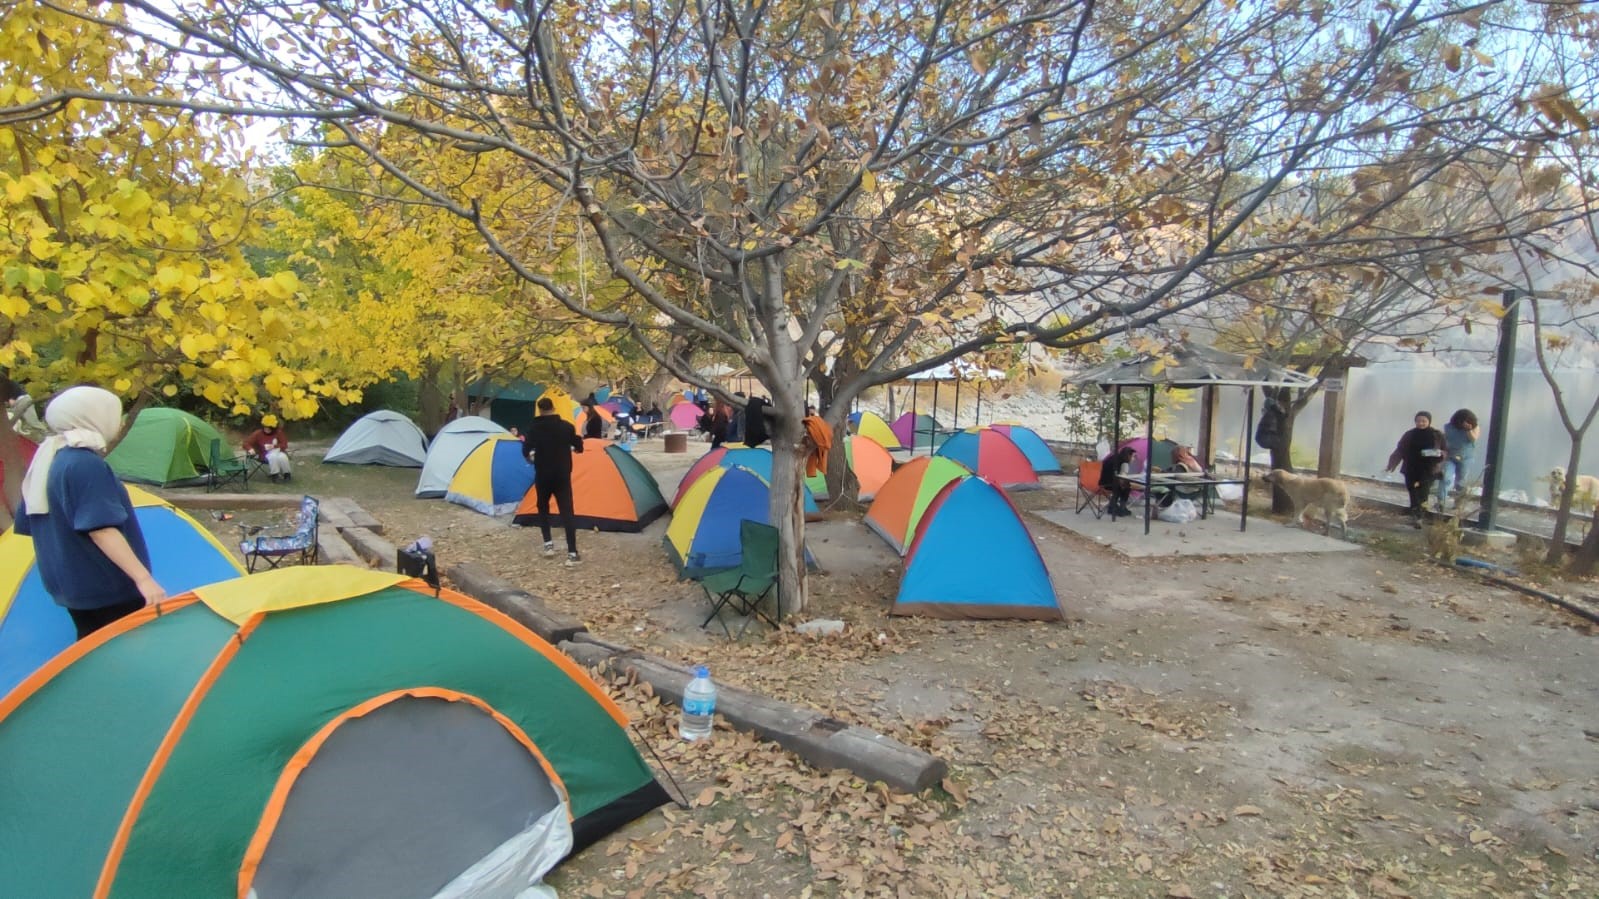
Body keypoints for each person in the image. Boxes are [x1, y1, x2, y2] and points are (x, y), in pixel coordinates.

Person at [15, 386, 168, 638]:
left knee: (94, 657)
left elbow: (34, 524)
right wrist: (143, 579)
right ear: (93, 417)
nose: (118, 422)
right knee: (119, 661)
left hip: (73, 588)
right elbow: (102, 529)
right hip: (107, 589)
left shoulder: (49, 459)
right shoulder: (84, 464)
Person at [525, 396, 584, 565]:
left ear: (540, 410)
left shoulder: (533, 429)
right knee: (567, 511)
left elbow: (526, 450)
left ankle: (548, 545)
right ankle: (572, 552)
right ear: (553, 408)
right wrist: (573, 446)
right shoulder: (566, 427)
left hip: (542, 474)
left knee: (543, 507)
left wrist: (532, 457)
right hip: (562, 474)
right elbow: (579, 446)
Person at [1386, 410, 1446, 527]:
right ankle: (1415, 512)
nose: (1421, 423)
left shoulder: (1437, 435)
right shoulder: (1409, 434)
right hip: (1411, 467)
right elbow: (1400, 449)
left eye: (1424, 421)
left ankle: (1420, 516)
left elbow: (1445, 450)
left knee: (1423, 492)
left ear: (1429, 421)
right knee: (1412, 491)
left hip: (1428, 469)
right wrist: (1392, 463)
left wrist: (1439, 454)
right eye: (1418, 421)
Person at [1438, 409, 1479, 511]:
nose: (1464, 423)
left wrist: (1468, 430)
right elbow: (1444, 439)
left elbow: (1473, 439)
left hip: (1466, 458)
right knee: (1445, 477)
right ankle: (1441, 502)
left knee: (1461, 482)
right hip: (1450, 456)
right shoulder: (1449, 427)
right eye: (1463, 421)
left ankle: (1458, 504)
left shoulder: (1474, 427)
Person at [243, 415, 292, 482]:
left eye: (269, 428)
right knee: (273, 456)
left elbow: (285, 445)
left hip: (278, 452)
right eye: (265, 427)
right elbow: (246, 443)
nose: (266, 429)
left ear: (273, 428)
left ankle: (287, 474)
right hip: (264, 454)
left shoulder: (278, 433)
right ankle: (275, 476)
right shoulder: (258, 433)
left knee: (283, 457)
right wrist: (250, 449)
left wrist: (274, 446)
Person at [1099, 446, 1138, 519]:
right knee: (1126, 488)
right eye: (1133, 456)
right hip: (1112, 485)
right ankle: (1122, 508)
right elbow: (1122, 478)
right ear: (1128, 455)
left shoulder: (1113, 457)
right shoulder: (1124, 463)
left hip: (1103, 483)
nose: (1133, 459)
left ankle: (1112, 506)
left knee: (1120, 487)